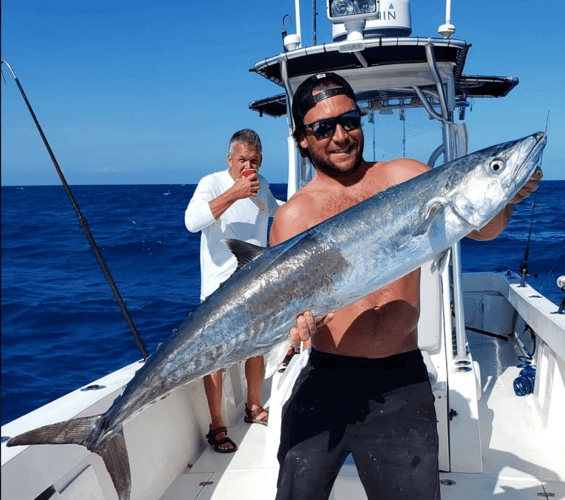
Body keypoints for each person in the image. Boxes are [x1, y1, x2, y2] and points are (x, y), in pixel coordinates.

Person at [269, 73, 542, 498]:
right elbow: (284, 309)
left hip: (400, 381)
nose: (341, 136)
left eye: (350, 121)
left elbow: (483, 230)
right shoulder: (293, 217)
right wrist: (294, 326)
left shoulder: (405, 176)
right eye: (323, 128)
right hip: (326, 377)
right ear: (302, 138)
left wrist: (506, 194)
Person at [185, 128, 284, 453]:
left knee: (256, 348)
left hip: (255, 286)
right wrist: (234, 193)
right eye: (243, 160)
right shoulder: (211, 184)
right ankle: (217, 425)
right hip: (218, 293)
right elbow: (192, 221)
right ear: (230, 159)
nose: (249, 166)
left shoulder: (263, 185)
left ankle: (253, 407)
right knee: (215, 359)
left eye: (254, 160)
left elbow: (275, 210)